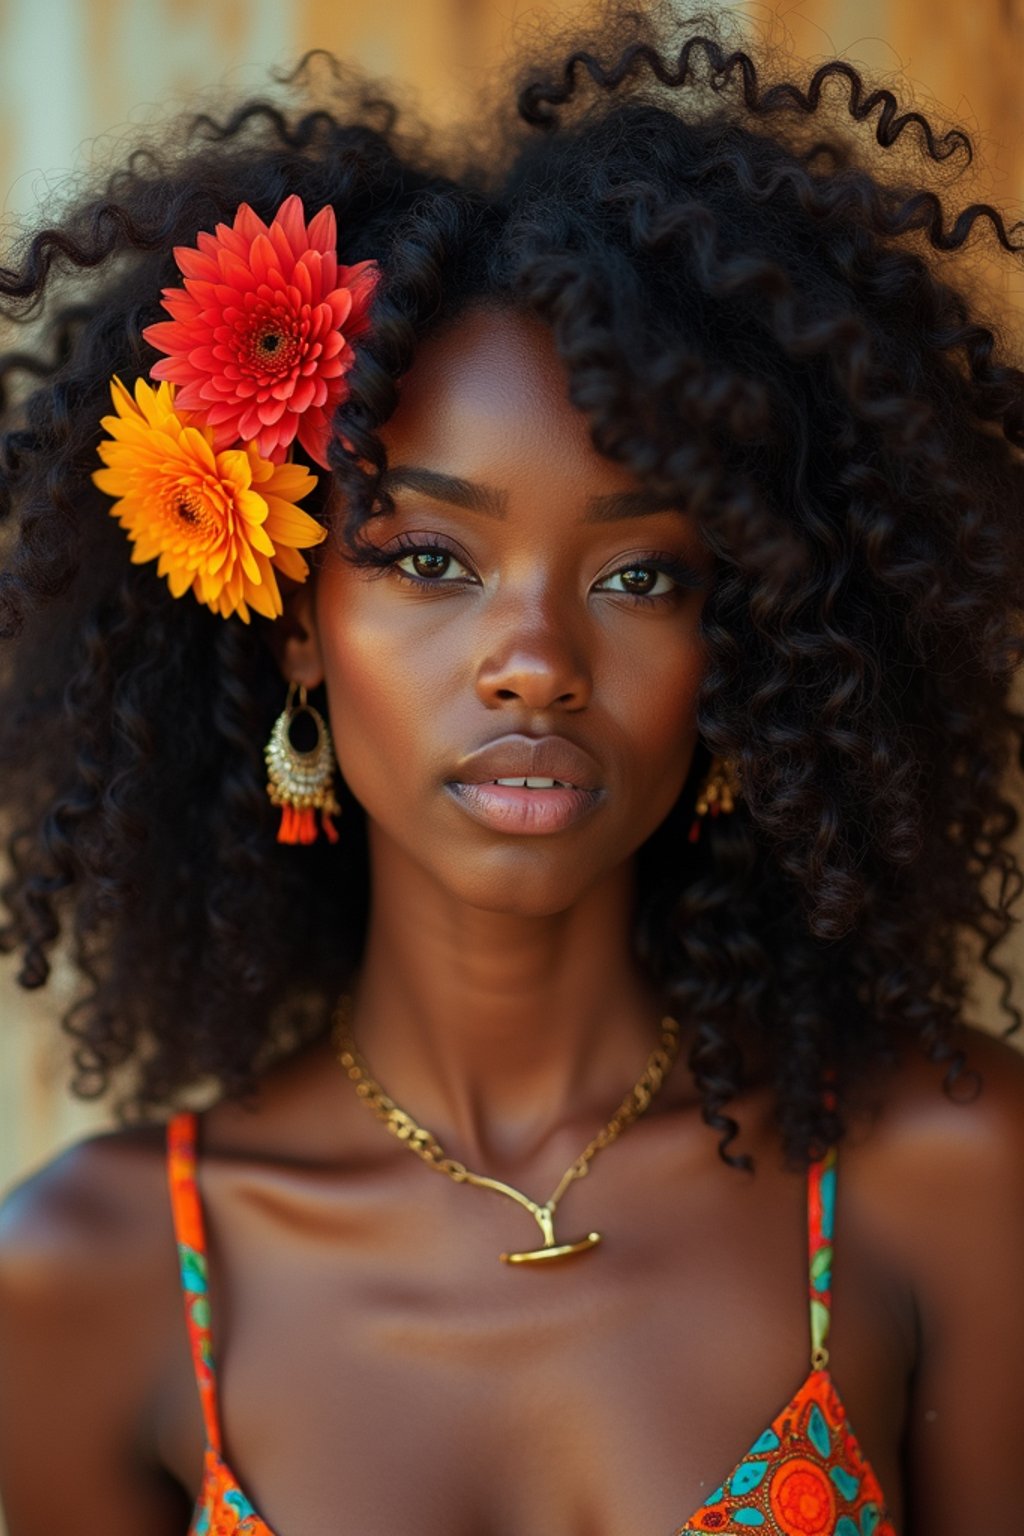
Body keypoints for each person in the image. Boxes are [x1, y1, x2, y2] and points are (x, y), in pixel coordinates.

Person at [1, 5, 1023, 1531]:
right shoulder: (91, 1282)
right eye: (427, 556)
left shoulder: (943, 1182)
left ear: (738, 649)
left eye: (641, 578)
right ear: (293, 622)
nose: (536, 658)